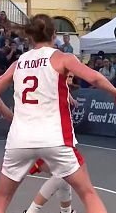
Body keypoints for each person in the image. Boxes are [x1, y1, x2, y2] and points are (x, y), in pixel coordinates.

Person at [0, 14, 116, 213]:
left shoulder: (19, 63)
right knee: (88, 194)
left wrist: (13, 118)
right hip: (55, 138)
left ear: (31, 36)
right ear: (54, 34)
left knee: (1, 199)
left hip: (20, 140)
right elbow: (95, 78)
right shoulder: (61, 58)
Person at [25, 72, 79, 213]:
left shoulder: (64, 93)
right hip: (48, 140)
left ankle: (66, 211)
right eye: (67, 76)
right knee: (63, 175)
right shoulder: (52, 93)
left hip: (59, 140)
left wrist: (69, 95)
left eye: (72, 77)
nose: (70, 79)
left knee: (64, 176)